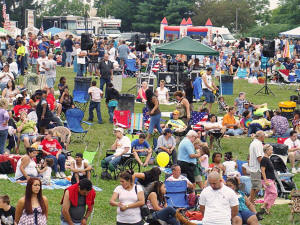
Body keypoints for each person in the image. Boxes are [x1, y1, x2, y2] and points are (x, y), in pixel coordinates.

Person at [260, 144, 277, 215]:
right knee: (274, 193)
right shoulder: (264, 159)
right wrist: (266, 180)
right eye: (271, 150)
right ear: (266, 150)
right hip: (267, 179)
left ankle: (267, 210)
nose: (272, 151)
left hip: (271, 179)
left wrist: (274, 180)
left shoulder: (268, 159)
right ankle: (263, 206)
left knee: (268, 194)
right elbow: (262, 170)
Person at [249, 131, 265, 204]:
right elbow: (259, 157)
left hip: (255, 167)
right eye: (264, 136)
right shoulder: (257, 144)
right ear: (261, 137)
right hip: (256, 168)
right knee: (257, 187)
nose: (264, 138)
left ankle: (250, 201)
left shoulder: (254, 143)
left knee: (255, 186)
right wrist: (265, 164)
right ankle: (250, 201)